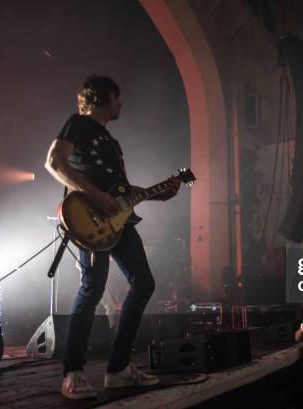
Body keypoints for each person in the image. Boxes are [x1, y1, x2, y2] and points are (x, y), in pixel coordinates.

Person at [45, 75, 180, 399]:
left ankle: (118, 369)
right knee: (92, 289)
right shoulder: (77, 124)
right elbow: (54, 162)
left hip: (118, 223)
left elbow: (120, 191)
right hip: (89, 218)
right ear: (105, 97)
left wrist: (160, 192)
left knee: (144, 283)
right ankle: (72, 374)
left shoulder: (110, 141)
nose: (121, 104)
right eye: (118, 98)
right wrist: (92, 194)